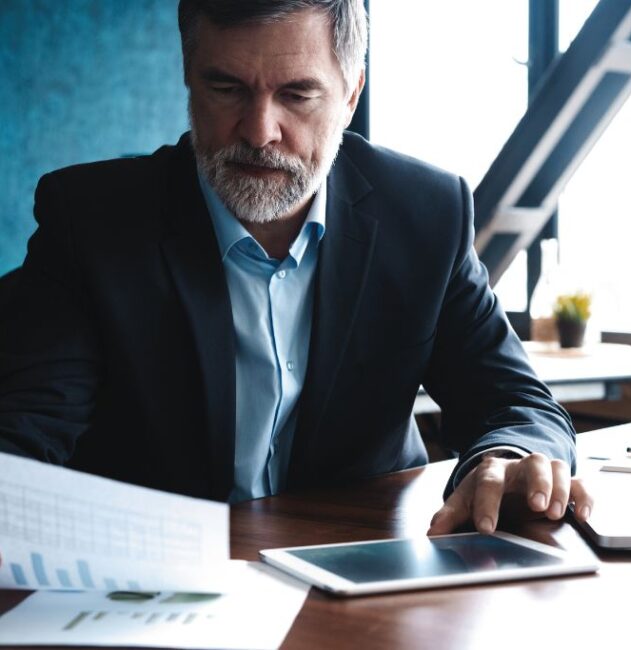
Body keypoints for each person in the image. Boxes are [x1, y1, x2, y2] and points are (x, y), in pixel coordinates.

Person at [0, 0, 592, 536]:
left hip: (365, 566)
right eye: (226, 88)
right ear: (189, 78)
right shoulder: (93, 222)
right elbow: (27, 431)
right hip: (156, 582)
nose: (260, 132)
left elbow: (516, 402)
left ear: (351, 93)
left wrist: (511, 458)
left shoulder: (426, 215)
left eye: (297, 95)